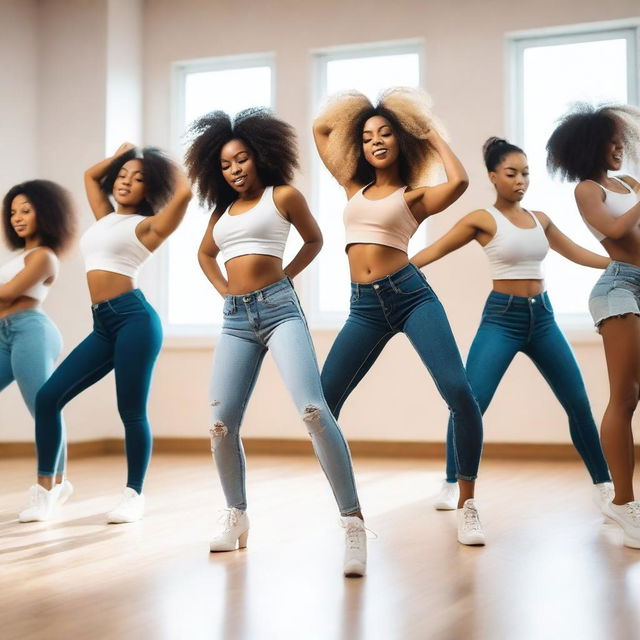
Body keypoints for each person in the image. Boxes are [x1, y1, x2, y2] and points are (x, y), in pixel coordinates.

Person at [185, 108, 366, 576]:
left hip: (280, 310)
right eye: (225, 165)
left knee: (313, 410)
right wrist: (225, 290)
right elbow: (205, 254)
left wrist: (282, 279)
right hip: (235, 320)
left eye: (241, 159)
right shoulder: (221, 212)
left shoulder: (282, 195)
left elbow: (314, 240)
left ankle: (353, 524)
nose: (235, 169)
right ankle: (236, 516)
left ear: (259, 155)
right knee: (220, 424)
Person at [313, 88, 485, 546]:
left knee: (459, 393)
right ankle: (350, 514)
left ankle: (468, 503)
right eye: (367, 136)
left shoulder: (414, 196)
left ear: (401, 140)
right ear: (359, 146)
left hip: (410, 297)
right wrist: (359, 112)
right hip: (363, 307)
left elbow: (460, 182)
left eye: (386, 132)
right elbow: (320, 129)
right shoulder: (352, 187)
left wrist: (428, 133)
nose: (376, 141)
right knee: (321, 404)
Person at [411, 137, 612, 513]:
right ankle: (452, 481)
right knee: (468, 403)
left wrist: (619, 265)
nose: (521, 180)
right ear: (493, 177)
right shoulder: (482, 219)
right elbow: (433, 251)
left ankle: (604, 486)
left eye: (526, 173)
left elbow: (576, 252)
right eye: (511, 173)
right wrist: (396, 271)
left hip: (544, 319)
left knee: (578, 403)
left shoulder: (541, 219)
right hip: (502, 319)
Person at [19, 142, 192, 524]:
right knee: (48, 398)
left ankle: (134, 494)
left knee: (130, 410)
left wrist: (161, 163)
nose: (126, 181)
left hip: (135, 321)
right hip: (103, 324)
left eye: (138, 178)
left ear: (151, 188)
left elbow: (184, 193)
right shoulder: (106, 217)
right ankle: (50, 489)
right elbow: (91, 176)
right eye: (123, 176)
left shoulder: (148, 226)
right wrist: (124, 156)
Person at [547, 104, 640, 548]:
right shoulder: (587, 190)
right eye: (612, 140)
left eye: (621, 139)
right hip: (619, 288)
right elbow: (618, 231)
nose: (620, 146)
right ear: (591, 146)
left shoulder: (628, 183)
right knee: (626, 394)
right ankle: (622, 502)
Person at [1, 180, 75, 502]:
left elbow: (7, 293)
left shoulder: (44, 256)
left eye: (26, 210)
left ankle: (51, 486)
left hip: (31, 331)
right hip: (6, 334)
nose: (17, 217)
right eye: (13, 212)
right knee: (46, 407)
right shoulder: (18, 256)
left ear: (45, 213)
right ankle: (59, 485)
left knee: (44, 408)